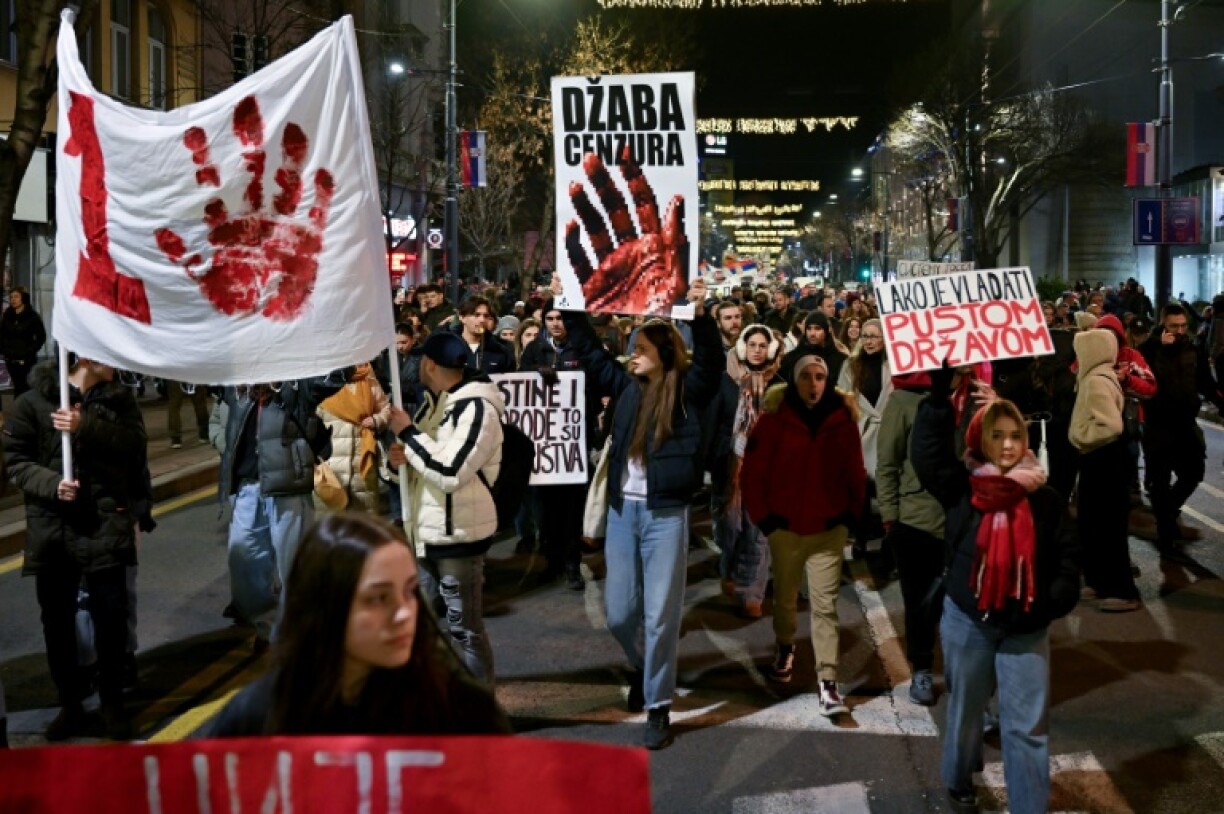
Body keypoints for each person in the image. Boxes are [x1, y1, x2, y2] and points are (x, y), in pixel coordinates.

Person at [555, 275, 720, 749]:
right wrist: (568, 304)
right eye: (631, 344)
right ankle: (648, 667)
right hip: (624, 515)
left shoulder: (688, 391)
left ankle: (658, 705)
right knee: (621, 612)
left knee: (661, 616)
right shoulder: (625, 385)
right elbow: (587, 349)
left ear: (666, 352)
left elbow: (710, 360)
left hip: (666, 515)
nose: (633, 351)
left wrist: (703, 316)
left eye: (642, 346)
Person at [911, 388, 1080, 814]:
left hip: (1026, 628)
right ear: (979, 442)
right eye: (996, 435)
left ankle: (1029, 806)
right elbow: (927, 457)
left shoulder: (1046, 498)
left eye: (1015, 435)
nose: (1007, 445)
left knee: (1027, 728)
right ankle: (958, 777)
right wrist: (935, 401)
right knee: (967, 710)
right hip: (969, 621)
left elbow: (1068, 562)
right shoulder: (963, 489)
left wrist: (1047, 603)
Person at [201, 513, 510, 737]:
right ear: (324, 606)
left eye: (409, 591)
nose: (404, 613)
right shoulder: (257, 718)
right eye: (378, 598)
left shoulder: (459, 712)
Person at [3, 351, 154, 740]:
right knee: (56, 622)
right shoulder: (32, 401)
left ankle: (112, 704)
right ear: (86, 356)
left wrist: (85, 426)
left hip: (104, 523)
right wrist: (52, 484)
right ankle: (70, 704)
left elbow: (134, 447)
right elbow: (15, 462)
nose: (119, 361)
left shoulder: (119, 400)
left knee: (111, 617)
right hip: (54, 529)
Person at [742, 353, 866, 717]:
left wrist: (850, 518)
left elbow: (854, 472)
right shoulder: (772, 421)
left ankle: (828, 681)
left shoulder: (842, 420)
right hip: (786, 529)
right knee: (784, 599)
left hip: (828, 529)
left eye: (820, 376)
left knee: (825, 607)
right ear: (794, 381)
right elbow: (754, 473)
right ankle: (785, 645)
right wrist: (766, 520)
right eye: (807, 377)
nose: (814, 384)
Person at [387, 332, 505, 685]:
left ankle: (481, 714)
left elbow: (450, 471)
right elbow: (419, 467)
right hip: (426, 531)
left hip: (458, 534)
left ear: (429, 364)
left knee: (465, 629)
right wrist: (395, 465)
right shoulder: (438, 402)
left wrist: (408, 436)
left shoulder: (477, 407)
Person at [213, 374, 347, 650]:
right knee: (244, 562)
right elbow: (200, 366)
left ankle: (295, 631)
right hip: (247, 487)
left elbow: (335, 377)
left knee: (294, 564)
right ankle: (269, 625)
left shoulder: (297, 385)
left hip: (288, 487)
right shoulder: (235, 386)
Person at [876, 370, 946, 707]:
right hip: (915, 520)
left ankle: (967, 676)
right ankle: (922, 667)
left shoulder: (974, 396)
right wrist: (890, 517)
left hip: (962, 518)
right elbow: (887, 464)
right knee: (920, 603)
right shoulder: (903, 400)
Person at [708, 324, 784, 618]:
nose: (756, 350)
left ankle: (752, 592)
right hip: (730, 466)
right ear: (743, 348)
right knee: (729, 526)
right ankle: (728, 567)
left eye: (762, 346)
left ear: (770, 350)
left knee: (758, 531)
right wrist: (713, 461)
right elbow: (715, 423)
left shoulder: (779, 383)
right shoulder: (726, 380)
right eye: (751, 345)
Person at [1139, 303, 1224, 550]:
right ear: (1163, 323)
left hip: (1186, 424)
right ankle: (1166, 531)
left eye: (1183, 326)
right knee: (1159, 480)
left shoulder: (1194, 348)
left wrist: (1221, 403)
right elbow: (1146, 381)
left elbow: (1206, 383)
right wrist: (1161, 350)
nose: (1179, 330)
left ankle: (1168, 511)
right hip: (1158, 426)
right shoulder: (1149, 349)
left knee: (1194, 472)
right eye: (1174, 326)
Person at [1069, 328, 1138, 612]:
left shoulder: (1096, 382)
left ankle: (1120, 590)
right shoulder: (1101, 378)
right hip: (1105, 461)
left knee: (1104, 525)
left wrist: (1080, 436)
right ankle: (1099, 582)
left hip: (1102, 460)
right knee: (1095, 523)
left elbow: (1111, 426)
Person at [837, 319, 891, 558]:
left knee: (888, 492)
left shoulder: (894, 366)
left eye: (874, 336)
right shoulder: (850, 366)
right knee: (861, 493)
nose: (869, 341)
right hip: (861, 434)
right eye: (865, 336)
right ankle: (860, 539)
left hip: (888, 434)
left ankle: (889, 549)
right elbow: (842, 400)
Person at [316, 363, 391, 515]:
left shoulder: (368, 379)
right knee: (333, 520)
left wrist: (377, 420)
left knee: (364, 520)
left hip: (362, 458)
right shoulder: (322, 380)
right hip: (332, 461)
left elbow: (385, 409)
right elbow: (313, 419)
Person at [0, 288, 47, 405]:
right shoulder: (7, 315)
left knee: (24, 387)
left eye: (16, 297)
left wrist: (30, 351)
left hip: (27, 359)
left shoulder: (32, 316)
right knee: (17, 386)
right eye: (11, 297)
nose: (13, 300)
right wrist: (4, 350)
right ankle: (19, 411)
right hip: (10, 358)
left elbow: (41, 337)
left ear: (23, 298)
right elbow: (1, 335)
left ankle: (22, 411)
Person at [781, 311, 846, 385]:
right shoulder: (791, 358)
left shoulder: (840, 360)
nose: (812, 333)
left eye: (817, 328)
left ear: (827, 330)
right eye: (809, 328)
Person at [165, 380, 212, 449]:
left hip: (175, 373)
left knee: (174, 405)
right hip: (193, 373)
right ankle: (204, 434)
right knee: (200, 403)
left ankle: (176, 439)